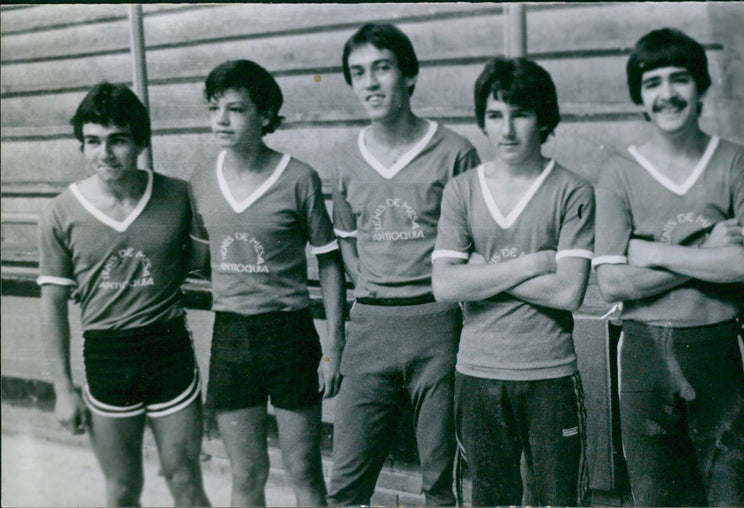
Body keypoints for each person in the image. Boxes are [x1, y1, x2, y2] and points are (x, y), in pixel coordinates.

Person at [593, 28, 744, 506]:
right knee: (654, 498)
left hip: (717, 347)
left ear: (701, 88)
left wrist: (653, 252)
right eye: (652, 83)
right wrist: (709, 249)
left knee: (730, 495)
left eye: (680, 80)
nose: (667, 94)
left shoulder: (737, 163)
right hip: (644, 355)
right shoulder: (618, 173)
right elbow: (610, 282)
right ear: (640, 98)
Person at [326, 23, 480, 506]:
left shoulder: (456, 152)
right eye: (358, 73)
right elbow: (348, 244)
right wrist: (373, 286)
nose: (369, 82)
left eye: (382, 68)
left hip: (437, 324)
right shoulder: (346, 157)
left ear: (409, 76)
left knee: (440, 480)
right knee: (346, 484)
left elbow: (477, 246)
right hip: (370, 325)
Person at [38, 82, 210, 507]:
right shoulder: (61, 211)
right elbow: (53, 304)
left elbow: (201, 262)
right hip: (107, 356)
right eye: (93, 142)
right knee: (121, 489)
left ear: (140, 142)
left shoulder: (178, 195)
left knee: (185, 479)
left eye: (117, 140)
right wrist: (63, 388)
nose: (105, 153)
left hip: (167, 349)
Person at [431, 58, 594, 506]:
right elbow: (444, 286)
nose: (506, 129)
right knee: (490, 499)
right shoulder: (461, 190)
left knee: (558, 501)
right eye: (494, 115)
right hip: (478, 372)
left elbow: (568, 292)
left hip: (549, 373)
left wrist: (480, 272)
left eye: (519, 113)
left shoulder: (572, 190)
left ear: (544, 119)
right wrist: (533, 264)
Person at [189, 59, 345, 507]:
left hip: (288, 333)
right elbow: (198, 261)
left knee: (303, 472)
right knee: (247, 475)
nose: (221, 119)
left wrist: (334, 346)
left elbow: (331, 264)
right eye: (214, 108)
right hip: (231, 336)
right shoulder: (200, 181)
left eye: (235, 109)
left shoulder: (299, 179)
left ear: (266, 115)